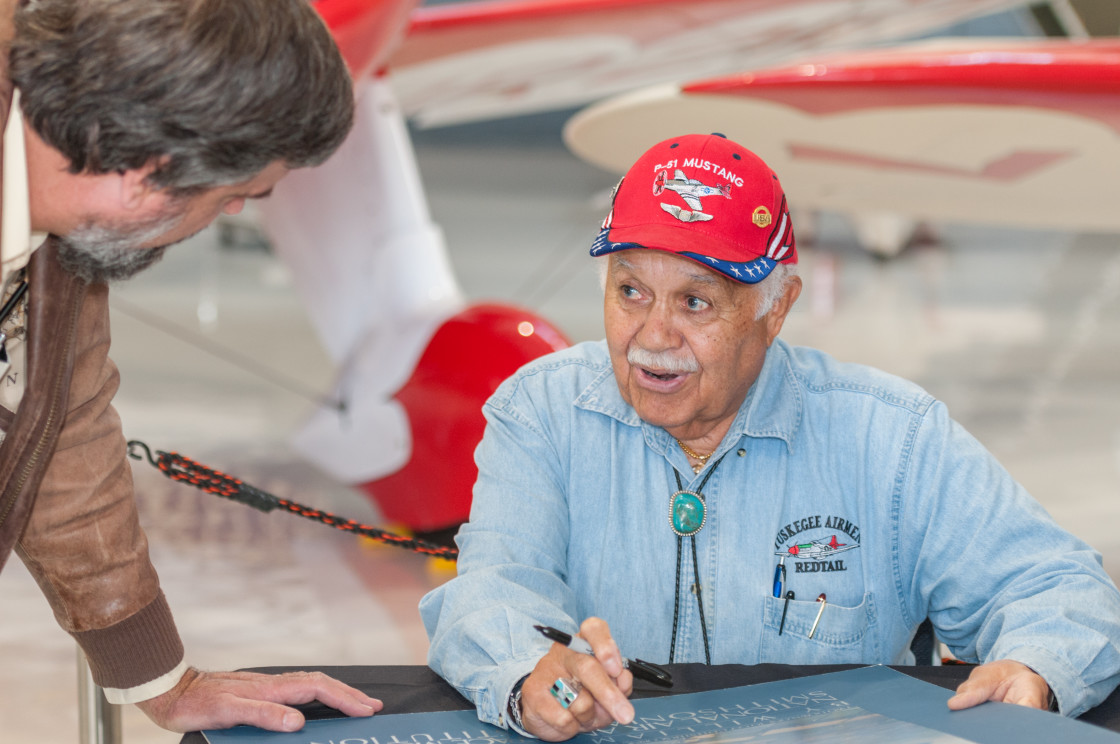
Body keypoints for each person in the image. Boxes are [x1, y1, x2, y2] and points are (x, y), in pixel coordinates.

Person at [420, 132, 1120, 741]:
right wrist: (531, 676)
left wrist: (1033, 670)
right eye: (630, 291)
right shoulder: (540, 411)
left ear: (777, 306)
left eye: (695, 302)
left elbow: (1057, 588)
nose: (653, 338)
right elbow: (493, 590)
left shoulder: (890, 437)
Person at [0, 0, 384, 734]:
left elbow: (65, 432)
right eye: (236, 196)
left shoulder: (63, 240)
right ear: (148, 172)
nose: (220, 217)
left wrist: (162, 679)